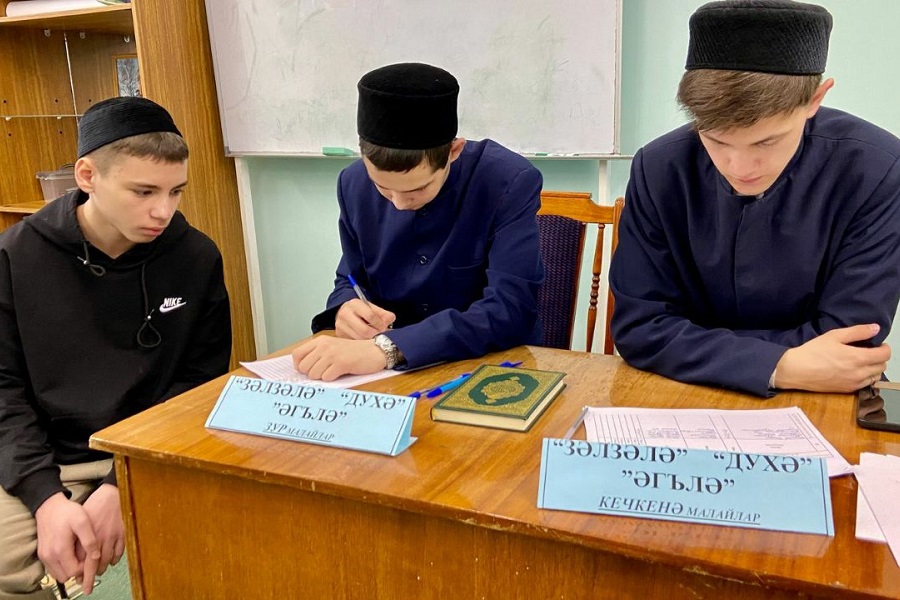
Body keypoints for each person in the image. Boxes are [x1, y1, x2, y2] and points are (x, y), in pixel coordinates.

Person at [0, 97, 232, 599]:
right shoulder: (16, 255)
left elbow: (200, 386)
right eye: (143, 191)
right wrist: (46, 499)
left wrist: (120, 481)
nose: (163, 211)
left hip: (152, 448)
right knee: (14, 567)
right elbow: (4, 390)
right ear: (87, 175)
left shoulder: (196, 257)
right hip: (48, 456)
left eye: (175, 191)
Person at [609, 0, 900, 397]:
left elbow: (849, 344)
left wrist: (692, 344)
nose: (740, 167)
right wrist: (778, 365)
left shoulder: (877, 169)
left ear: (815, 99)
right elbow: (639, 327)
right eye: (716, 141)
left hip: (825, 396)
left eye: (766, 142)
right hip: (688, 391)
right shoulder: (659, 167)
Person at [293, 62, 544, 380]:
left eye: (417, 189)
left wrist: (388, 349)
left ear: (454, 152)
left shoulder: (507, 182)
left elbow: (510, 309)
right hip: (385, 376)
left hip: (492, 368)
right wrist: (346, 309)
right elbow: (351, 278)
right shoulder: (352, 183)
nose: (399, 204)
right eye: (383, 188)